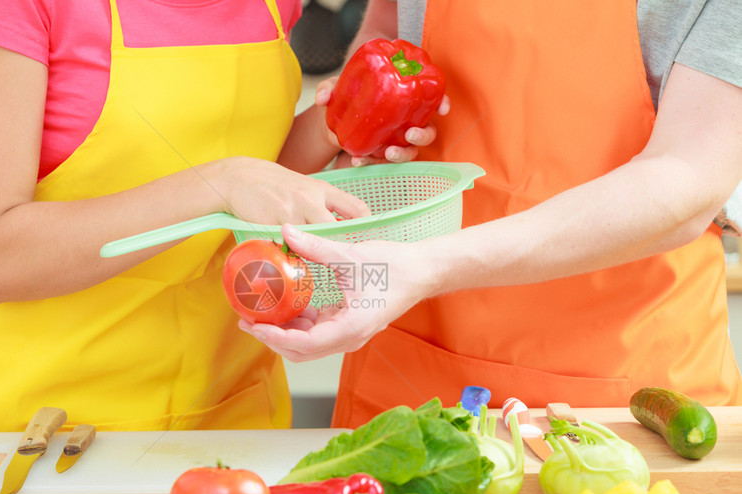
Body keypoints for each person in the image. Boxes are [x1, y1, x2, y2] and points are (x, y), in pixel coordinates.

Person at [0, 0, 442, 437]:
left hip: (231, 420)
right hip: (38, 430)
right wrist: (221, 183)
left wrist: (343, 126)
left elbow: (250, 181)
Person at [241, 0, 742, 428]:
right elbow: (388, 26)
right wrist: (370, 122)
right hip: (409, 366)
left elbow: (688, 177)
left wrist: (425, 268)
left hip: (627, 397)